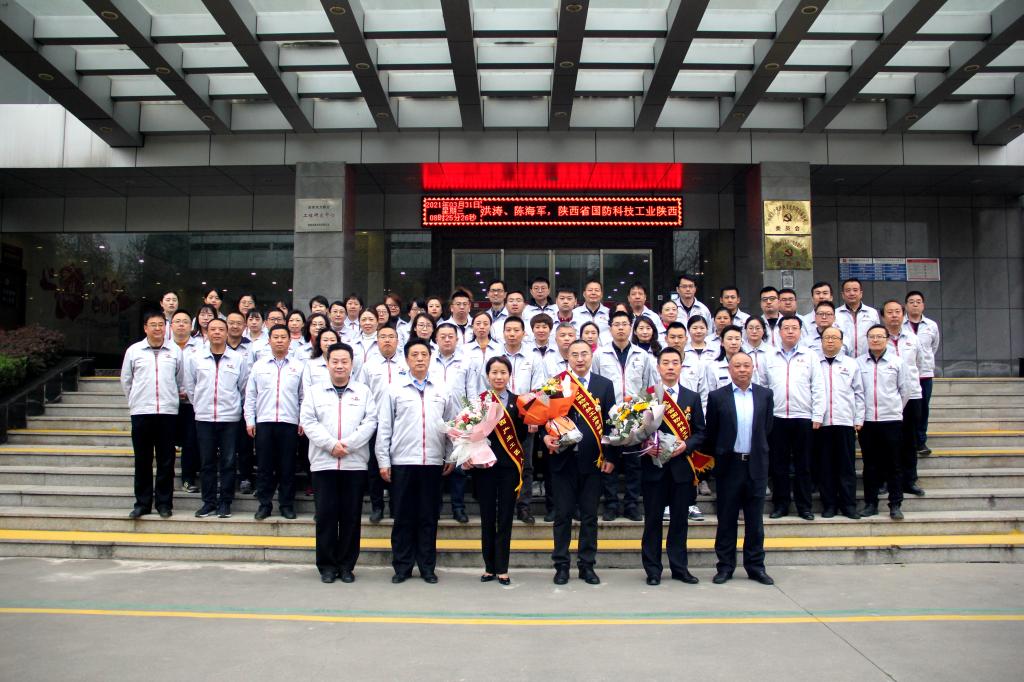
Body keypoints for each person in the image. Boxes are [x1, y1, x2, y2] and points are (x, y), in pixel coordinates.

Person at [376, 338, 456, 584]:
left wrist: (450, 454)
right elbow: (385, 426)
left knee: (428, 517)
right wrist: (383, 460)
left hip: (432, 462)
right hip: (403, 461)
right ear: (406, 359)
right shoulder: (394, 389)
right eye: (415, 355)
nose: (420, 358)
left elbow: (451, 425)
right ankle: (402, 566)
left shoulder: (442, 388)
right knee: (403, 517)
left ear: (430, 358)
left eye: (424, 354)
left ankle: (427, 567)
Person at [301, 342, 378, 584]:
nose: (340, 366)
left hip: (354, 464)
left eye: (344, 361)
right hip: (323, 463)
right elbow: (308, 421)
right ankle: (326, 566)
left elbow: (370, 422)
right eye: (335, 361)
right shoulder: (314, 392)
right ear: (327, 363)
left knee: (350, 517)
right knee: (325, 516)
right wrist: (330, 445)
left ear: (352, 364)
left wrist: (349, 445)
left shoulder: (363, 392)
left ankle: (346, 566)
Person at [543, 339, 617, 586]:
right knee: (562, 516)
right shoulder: (557, 383)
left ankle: (587, 566)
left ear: (591, 355)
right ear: (568, 356)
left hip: (593, 462)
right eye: (574, 354)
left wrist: (610, 457)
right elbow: (544, 419)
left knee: (589, 517)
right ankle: (561, 566)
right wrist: (545, 437)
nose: (580, 358)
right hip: (563, 461)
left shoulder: (604, 385)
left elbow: (612, 424)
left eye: (584, 353)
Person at [705, 352, 775, 586]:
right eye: (737, 366)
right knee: (726, 519)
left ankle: (756, 567)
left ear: (753, 368)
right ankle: (725, 566)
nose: (742, 370)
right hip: (729, 466)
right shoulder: (717, 397)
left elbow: (767, 428)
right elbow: (712, 432)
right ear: (729, 369)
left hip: (756, 464)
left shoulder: (765, 395)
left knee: (755, 522)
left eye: (746, 365)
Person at [640, 347, 706, 585]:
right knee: (653, 521)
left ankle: (679, 568)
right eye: (665, 362)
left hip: (681, 468)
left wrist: (686, 445)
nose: (670, 367)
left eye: (675, 362)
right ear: (658, 367)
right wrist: (646, 445)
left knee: (679, 521)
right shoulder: (647, 396)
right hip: (654, 468)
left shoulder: (692, 397)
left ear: (681, 366)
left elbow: (701, 432)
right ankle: (653, 570)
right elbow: (636, 431)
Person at [121, 311, 186, 519]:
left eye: (161, 325)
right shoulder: (134, 351)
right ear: (145, 328)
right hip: (142, 412)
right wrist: (136, 401)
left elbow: (180, 379)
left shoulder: (174, 351)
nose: (157, 328)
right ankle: (142, 503)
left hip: (167, 412)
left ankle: (164, 503)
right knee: (143, 460)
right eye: (153, 325)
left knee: (166, 460)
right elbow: (126, 381)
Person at [593, 310, 655, 522]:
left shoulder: (642, 355)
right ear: (610, 328)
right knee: (609, 460)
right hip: (608, 415)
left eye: (624, 324)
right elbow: (595, 383)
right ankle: (611, 504)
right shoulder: (600, 355)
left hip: (635, 416)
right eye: (616, 324)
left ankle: (631, 504)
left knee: (633, 463)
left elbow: (649, 387)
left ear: (631, 328)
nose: (620, 328)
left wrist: (644, 413)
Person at [184, 318, 250, 519]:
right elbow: (190, 386)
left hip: (229, 418)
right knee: (207, 462)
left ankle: (225, 502)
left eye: (221, 329)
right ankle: (208, 502)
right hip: (204, 417)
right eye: (213, 329)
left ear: (227, 332)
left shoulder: (237, 359)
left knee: (228, 462)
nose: (217, 332)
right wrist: (200, 405)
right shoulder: (196, 357)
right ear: (207, 333)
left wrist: (234, 407)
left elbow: (243, 387)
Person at [474, 357, 528, 586]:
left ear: (509, 375)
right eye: (494, 372)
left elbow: (522, 435)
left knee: (505, 517)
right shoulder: (480, 401)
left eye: (503, 372)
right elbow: (471, 432)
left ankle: (502, 568)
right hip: (485, 467)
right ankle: (489, 567)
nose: (498, 376)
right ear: (488, 375)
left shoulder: (519, 402)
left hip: (509, 467)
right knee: (487, 517)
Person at [764, 316, 824, 521]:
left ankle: (804, 506)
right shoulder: (769, 356)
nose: (790, 331)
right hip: (777, 417)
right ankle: (781, 505)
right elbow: (763, 387)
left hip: (803, 417)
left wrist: (817, 414)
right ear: (779, 332)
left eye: (794, 328)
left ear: (800, 332)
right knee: (778, 464)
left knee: (803, 465)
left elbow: (818, 386)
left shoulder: (810, 356)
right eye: (786, 328)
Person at [245, 324, 305, 521]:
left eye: (283, 337)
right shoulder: (259, 366)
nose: (279, 340)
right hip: (264, 422)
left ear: (290, 341)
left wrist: (302, 420)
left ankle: (286, 505)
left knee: (287, 466)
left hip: (289, 422)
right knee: (264, 466)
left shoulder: (298, 366)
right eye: (276, 337)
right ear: (269, 341)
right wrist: (250, 420)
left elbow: (303, 397)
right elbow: (251, 395)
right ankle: (265, 504)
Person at [858, 324, 915, 520]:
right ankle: (870, 503)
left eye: (879, 336)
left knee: (893, 464)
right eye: (872, 337)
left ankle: (895, 504)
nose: (875, 340)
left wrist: (895, 409)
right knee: (870, 464)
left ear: (887, 339)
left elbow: (905, 390)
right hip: (867, 421)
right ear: (867, 340)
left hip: (891, 420)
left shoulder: (897, 362)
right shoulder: (859, 363)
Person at [360, 326, 408, 523]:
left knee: (397, 467)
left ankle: (397, 507)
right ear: (377, 341)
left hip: (401, 423)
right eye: (383, 337)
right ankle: (377, 506)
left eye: (391, 337)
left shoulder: (406, 364)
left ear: (397, 340)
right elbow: (362, 394)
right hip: (376, 422)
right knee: (374, 467)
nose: (387, 340)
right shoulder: (368, 366)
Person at [816, 326, 864, 520]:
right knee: (825, 467)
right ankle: (829, 505)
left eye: (834, 338)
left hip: (845, 421)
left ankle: (848, 505)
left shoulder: (851, 364)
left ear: (842, 342)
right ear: (821, 341)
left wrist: (858, 419)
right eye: (826, 337)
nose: (830, 341)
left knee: (846, 466)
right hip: (821, 423)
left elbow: (859, 393)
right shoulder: (814, 362)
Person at [882, 299, 926, 498]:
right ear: (883, 316)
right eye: (889, 312)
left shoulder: (913, 338)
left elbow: (920, 364)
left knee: (910, 440)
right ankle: (885, 480)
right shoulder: (878, 338)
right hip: (888, 398)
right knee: (887, 442)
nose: (894, 315)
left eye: (897, 312)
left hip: (912, 395)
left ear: (903, 314)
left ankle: (910, 480)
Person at [904, 291, 940, 456]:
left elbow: (933, 347)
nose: (915, 304)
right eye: (911, 301)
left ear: (923, 305)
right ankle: (906, 439)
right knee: (907, 409)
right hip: (906, 375)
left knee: (923, 408)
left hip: (924, 374)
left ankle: (920, 441)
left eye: (918, 301)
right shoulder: (901, 323)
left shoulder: (931, 325)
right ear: (906, 306)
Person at [169, 309, 201, 492]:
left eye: (185, 322)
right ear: (171, 326)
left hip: (191, 404)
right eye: (177, 321)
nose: (181, 324)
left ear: (191, 326)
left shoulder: (201, 347)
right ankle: (167, 479)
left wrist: (191, 394)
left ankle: (188, 479)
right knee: (168, 442)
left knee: (190, 442)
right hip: (168, 404)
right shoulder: (164, 347)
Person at [835, 277, 880, 359]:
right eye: (848, 290)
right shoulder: (835, 314)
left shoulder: (872, 313)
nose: (852, 293)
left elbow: (877, 334)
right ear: (843, 295)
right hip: (843, 359)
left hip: (867, 359)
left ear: (861, 293)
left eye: (855, 290)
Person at [573, 279, 611, 344]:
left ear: (601, 294)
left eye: (597, 290)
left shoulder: (609, 313)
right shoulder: (574, 313)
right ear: (584, 294)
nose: (593, 293)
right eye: (590, 290)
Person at [303, 328, 340, 392]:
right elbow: (306, 388)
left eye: (332, 340)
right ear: (319, 344)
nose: (329, 343)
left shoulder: (345, 363)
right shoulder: (311, 364)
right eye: (325, 340)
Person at [742, 316, 772, 386]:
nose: (754, 331)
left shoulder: (772, 351)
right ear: (745, 330)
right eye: (750, 328)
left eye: (758, 328)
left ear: (763, 330)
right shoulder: (740, 351)